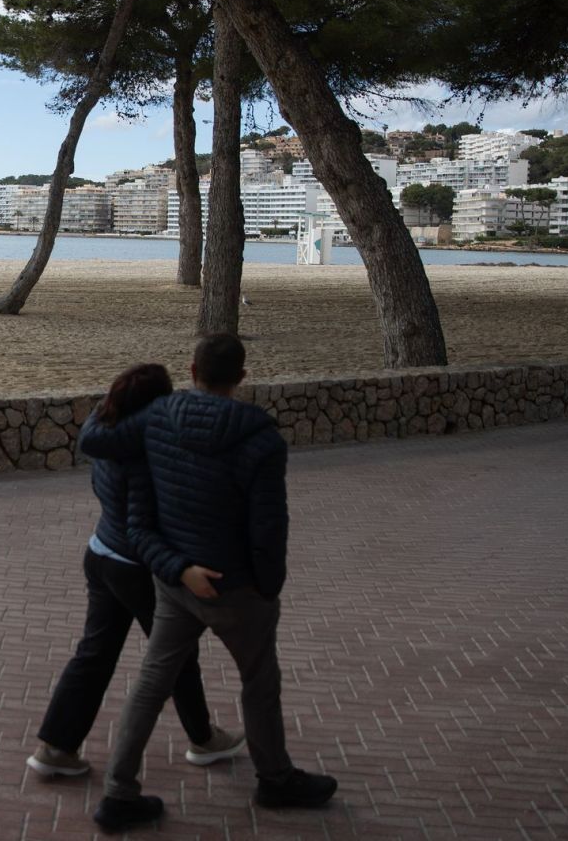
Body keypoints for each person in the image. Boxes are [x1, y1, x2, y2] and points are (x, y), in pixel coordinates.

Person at [86, 333, 337, 832]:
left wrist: (177, 569)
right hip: (238, 590)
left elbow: (97, 442)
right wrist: (267, 588)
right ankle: (275, 779)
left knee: (151, 685)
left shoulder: (156, 418)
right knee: (259, 684)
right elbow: (269, 526)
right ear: (241, 378)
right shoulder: (262, 440)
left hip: (176, 583)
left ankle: (119, 793)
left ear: (191, 370)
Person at [27, 363, 244, 779]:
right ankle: (203, 739)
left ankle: (55, 747)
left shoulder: (107, 428)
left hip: (101, 554)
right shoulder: (145, 452)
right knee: (178, 654)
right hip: (137, 568)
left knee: (94, 655)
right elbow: (147, 523)